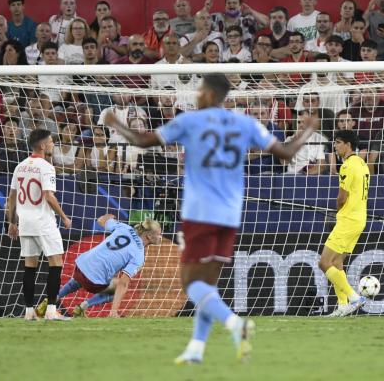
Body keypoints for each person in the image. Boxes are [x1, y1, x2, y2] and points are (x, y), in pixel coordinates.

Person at [103, 74, 317, 364]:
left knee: (192, 284)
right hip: (230, 214)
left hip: (200, 212)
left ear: (208, 94)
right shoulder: (245, 123)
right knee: (209, 285)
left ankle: (234, 324)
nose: (196, 95)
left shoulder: (191, 121)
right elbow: (287, 152)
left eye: (199, 89)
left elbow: (143, 139)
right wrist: (306, 131)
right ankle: (197, 347)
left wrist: (115, 124)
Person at [5, 129, 72, 321]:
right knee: (56, 263)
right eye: (50, 142)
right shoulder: (47, 167)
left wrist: (12, 222)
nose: (52, 144)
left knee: (30, 266)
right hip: (43, 222)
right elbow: (49, 196)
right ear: (42, 146)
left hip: (25, 222)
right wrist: (64, 217)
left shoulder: (20, 167)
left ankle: (28, 311)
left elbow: (12, 198)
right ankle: (51, 311)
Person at [42, 214, 162, 318]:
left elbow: (100, 220)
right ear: (149, 236)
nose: (161, 237)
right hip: (92, 282)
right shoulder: (139, 255)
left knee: (83, 278)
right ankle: (83, 306)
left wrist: (108, 217)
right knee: (117, 288)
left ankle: (51, 300)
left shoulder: (124, 227)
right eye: (159, 234)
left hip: (80, 266)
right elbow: (123, 283)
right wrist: (114, 311)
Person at [318, 130, 369, 317]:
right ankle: (342, 305)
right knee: (337, 263)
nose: (335, 146)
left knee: (324, 263)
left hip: (348, 219)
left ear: (348, 145)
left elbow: (342, 198)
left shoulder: (347, 166)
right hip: (360, 218)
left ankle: (354, 297)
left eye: (338, 142)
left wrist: (337, 210)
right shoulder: (362, 163)